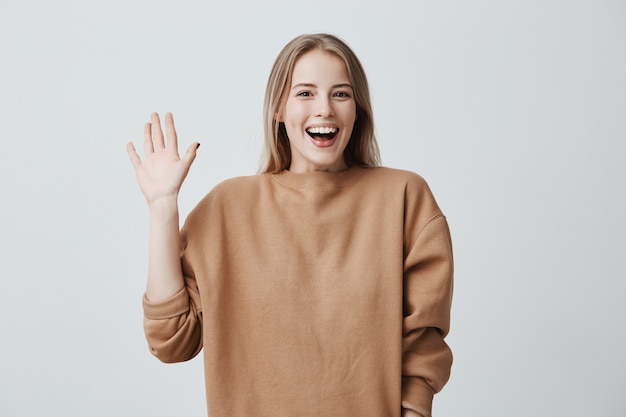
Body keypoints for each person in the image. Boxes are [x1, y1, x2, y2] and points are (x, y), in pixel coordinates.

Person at [127, 33, 453, 417]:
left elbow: (422, 349)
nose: (324, 109)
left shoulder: (404, 197)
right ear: (278, 109)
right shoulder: (228, 208)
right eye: (305, 94)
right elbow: (171, 340)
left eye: (341, 94)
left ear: (358, 110)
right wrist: (163, 207)